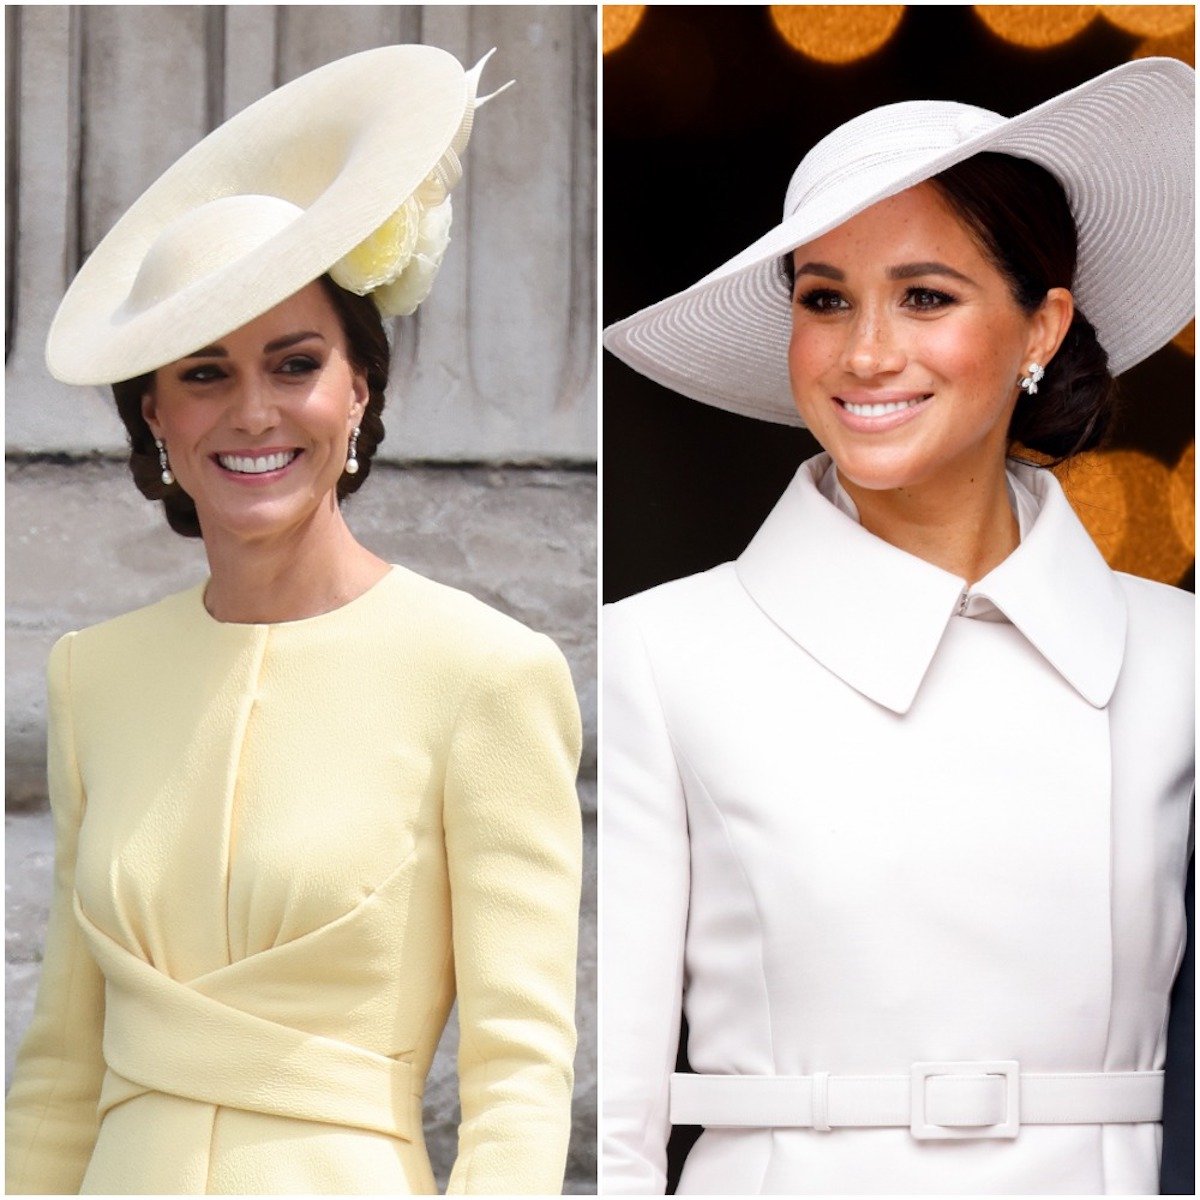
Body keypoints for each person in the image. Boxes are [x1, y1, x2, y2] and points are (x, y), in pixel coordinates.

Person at [601, 58, 1193, 1195]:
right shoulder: (660, 657)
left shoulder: (1178, 659)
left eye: (926, 296)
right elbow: (614, 1117)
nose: (866, 353)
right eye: (826, 298)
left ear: (1042, 328)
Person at [6, 44, 583, 1196]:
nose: (254, 411)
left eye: (295, 362)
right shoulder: (93, 675)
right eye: (205, 373)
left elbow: (521, 1084)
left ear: (358, 387)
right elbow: (63, 1071)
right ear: (155, 414)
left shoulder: (484, 674)